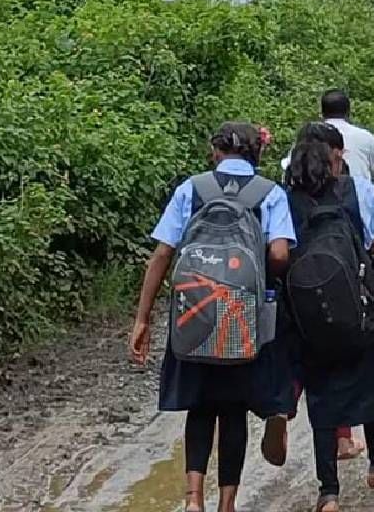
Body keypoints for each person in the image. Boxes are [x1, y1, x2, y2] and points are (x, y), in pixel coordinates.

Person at [129, 123, 295, 512]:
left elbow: (162, 254)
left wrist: (142, 318)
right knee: (233, 410)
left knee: (200, 406)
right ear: (257, 153)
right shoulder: (271, 194)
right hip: (243, 316)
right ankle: (227, 503)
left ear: (216, 151)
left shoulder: (192, 189)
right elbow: (280, 255)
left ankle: (192, 498)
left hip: (193, 312)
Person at [285, 123, 374, 512]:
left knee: (322, 396)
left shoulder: (285, 200)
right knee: (371, 380)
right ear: (335, 157)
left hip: (310, 314)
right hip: (359, 304)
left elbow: (279, 253)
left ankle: (328, 491)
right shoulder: (357, 190)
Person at [318, 90, 374, 459]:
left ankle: (335, 442)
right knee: (367, 350)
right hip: (357, 259)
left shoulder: (299, 155)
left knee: (323, 356)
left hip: (313, 275)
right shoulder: (363, 142)